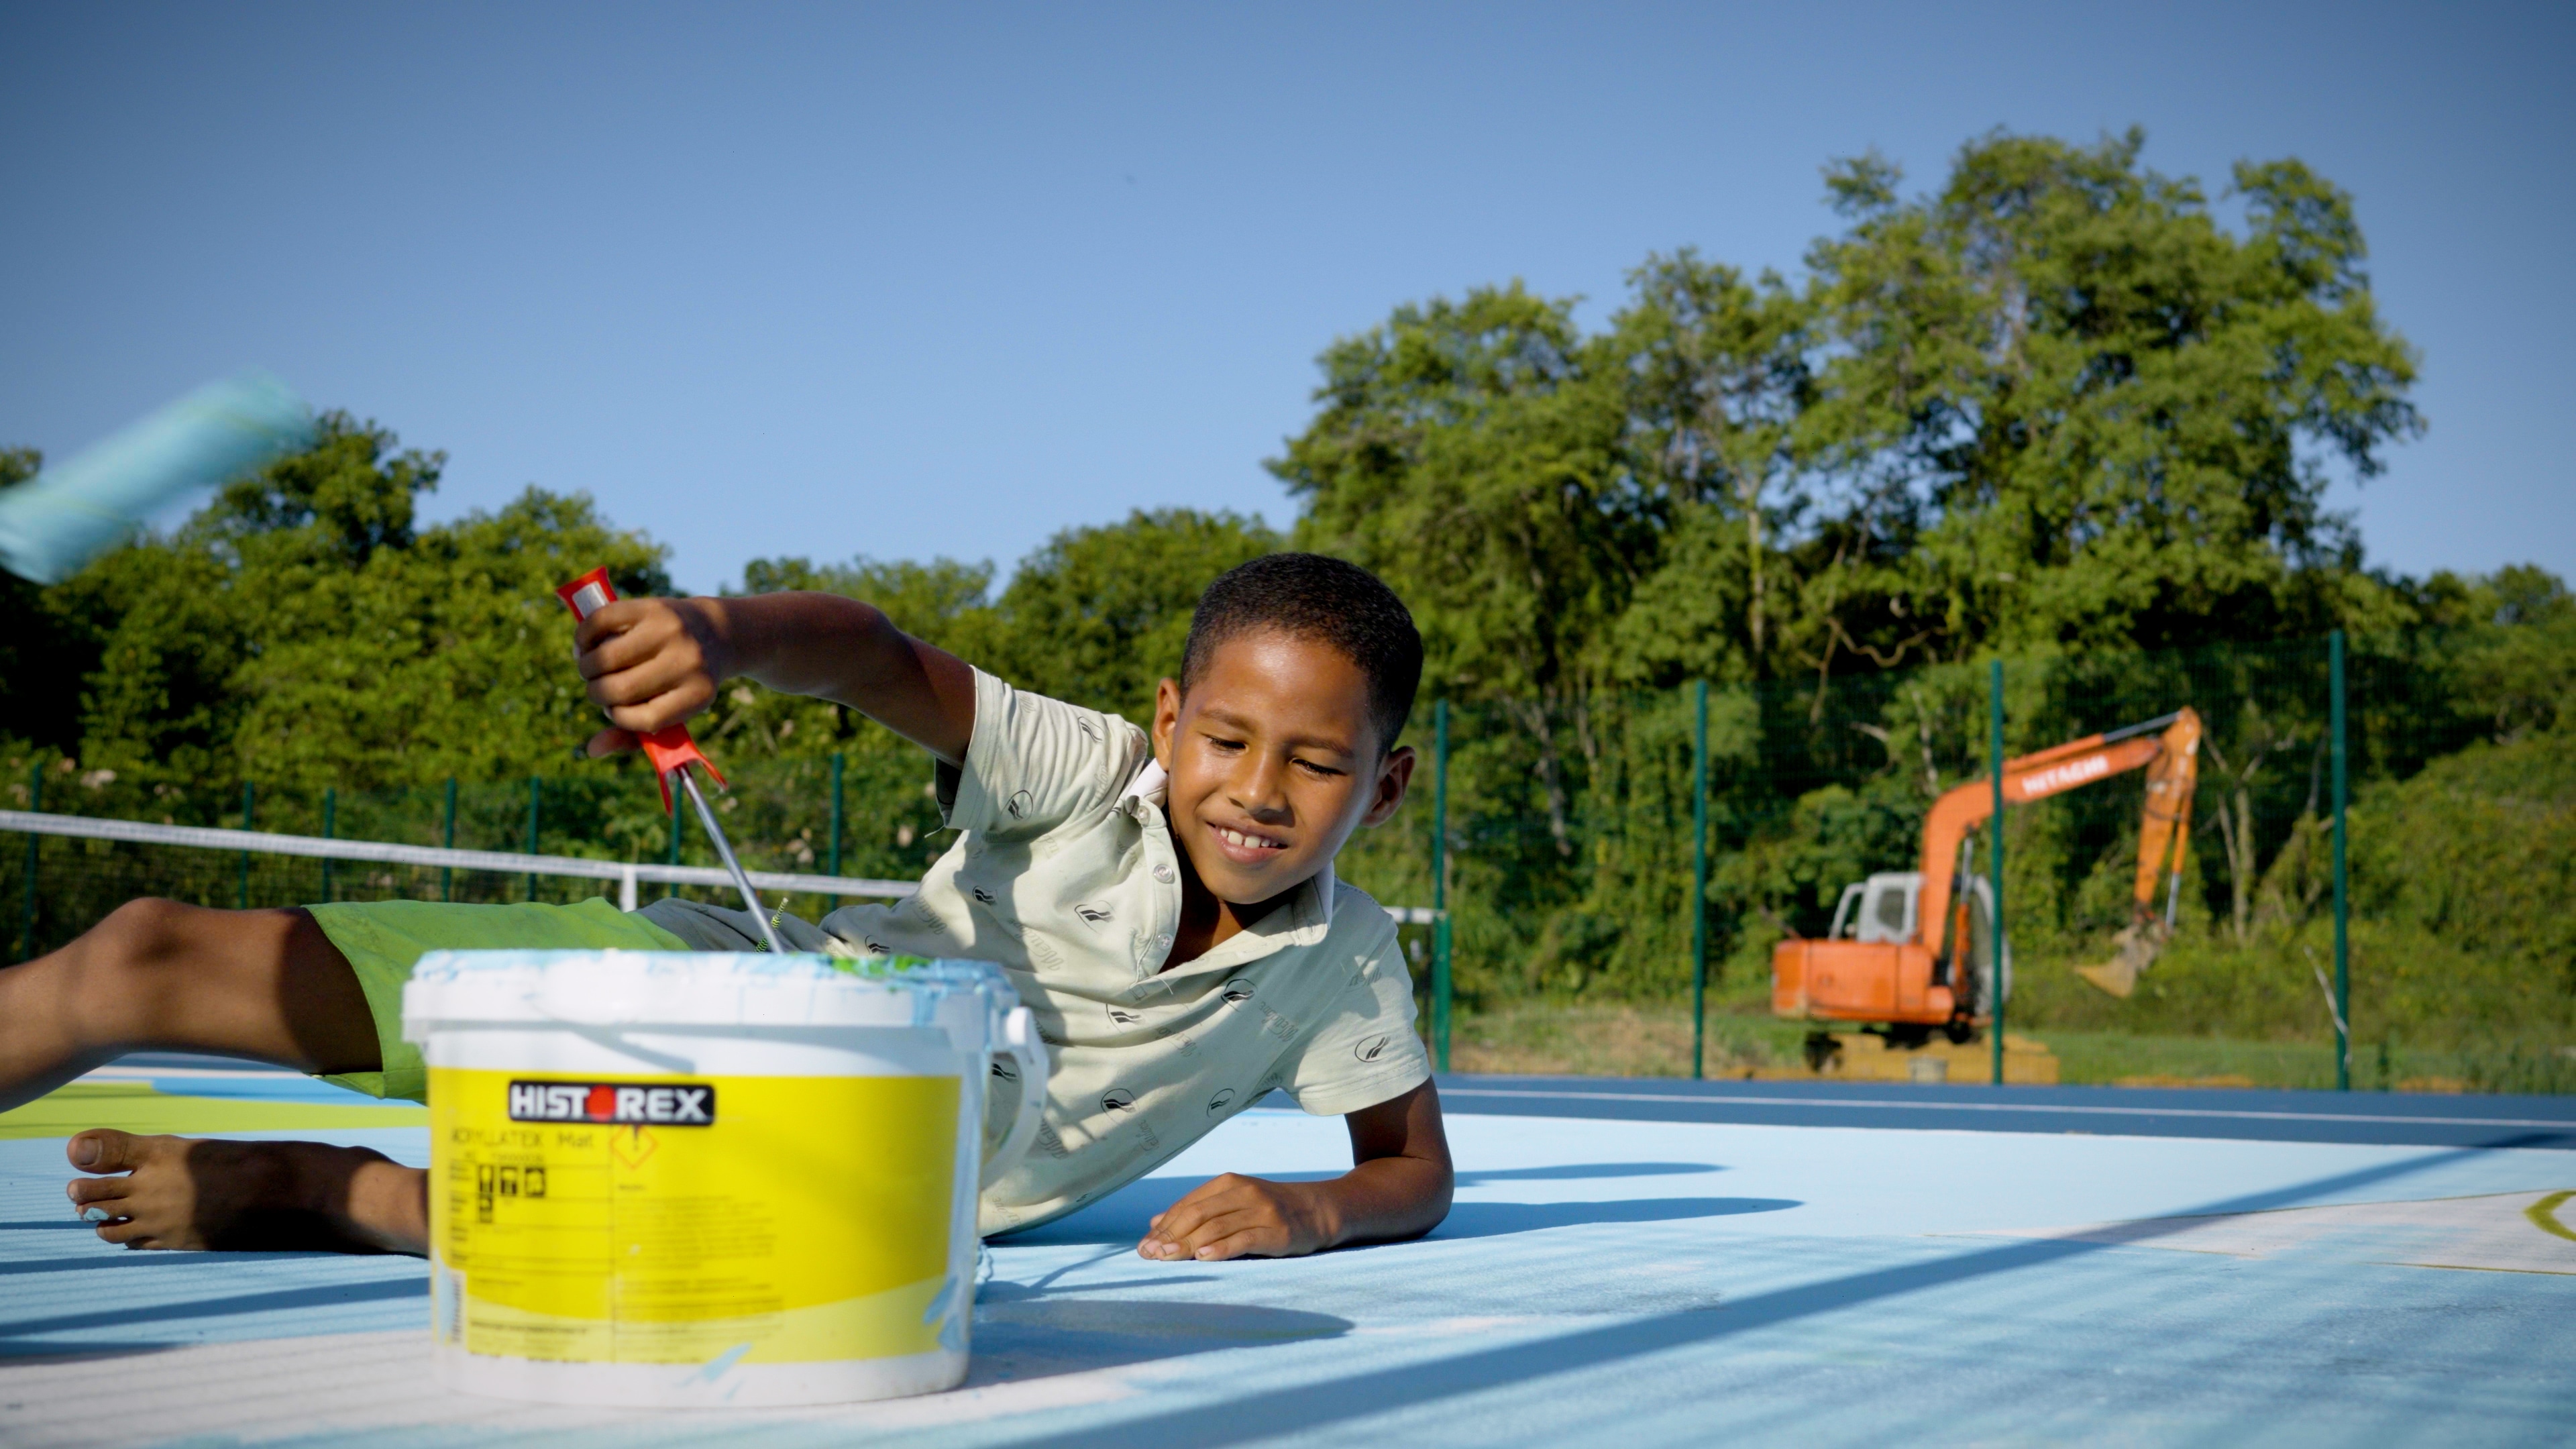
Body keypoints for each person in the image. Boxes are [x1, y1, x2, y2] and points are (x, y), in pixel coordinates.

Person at [0, 552, 1451, 1261]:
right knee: (151, 956)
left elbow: (1412, 1169)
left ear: (1380, 791)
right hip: (753, 989)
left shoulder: (1351, 967)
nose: (1257, 789)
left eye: (1318, 764)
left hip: (850, 1205)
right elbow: (877, 659)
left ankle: (319, 1188)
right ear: (1170, 719)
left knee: (671, 1250)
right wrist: (722, 635)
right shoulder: (1092, 771)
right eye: (1228, 738)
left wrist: (1309, 1209)